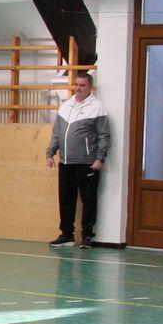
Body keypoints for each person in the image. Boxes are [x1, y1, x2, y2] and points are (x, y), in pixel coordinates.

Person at [44, 72, 109, 250]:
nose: (78, 88)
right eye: (77, 85)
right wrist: (50, 152)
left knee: (88, 200)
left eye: (82, 85)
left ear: (90, 87)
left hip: (87, 163)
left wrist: (100, 158)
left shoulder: (97, 107)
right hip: (66, 162)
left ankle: (87, 236)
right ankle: (66, 235)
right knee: (66, 199)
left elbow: (104, 135)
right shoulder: (66, 106)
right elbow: (57, 132)